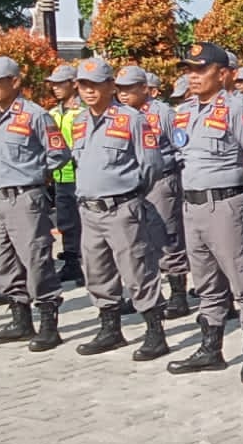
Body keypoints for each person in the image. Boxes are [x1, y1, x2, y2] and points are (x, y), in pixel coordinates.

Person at [166, 42, 243, 383]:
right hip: (192, 206)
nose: (193, 77)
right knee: (206, 283)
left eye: (201, 70)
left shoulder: (240, 108)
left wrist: (228, 181)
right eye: (189, 70)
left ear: (224, 73)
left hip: (227, 205)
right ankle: (210, 349)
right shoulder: (185, 111)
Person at [67, 58, 169, 360]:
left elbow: (151, 165)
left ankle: (155, 332)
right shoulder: (80, 121)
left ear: (110, 86)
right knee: (97, 271)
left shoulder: (132, 119)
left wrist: (131, 195)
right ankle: (110, 329)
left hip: (121, 207)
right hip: (89, 209)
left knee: (137, 269)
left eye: (95, 84)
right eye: (83, 85)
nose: (89, 91)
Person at [0, 56, 70, 350]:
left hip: (24, 197)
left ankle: (48, 323)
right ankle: (20, 319)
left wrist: (35, 173)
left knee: (35, 259)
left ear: (14, 82)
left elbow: (58, 153)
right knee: (2, 262)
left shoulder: (35, 115)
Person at [116, 65, 191, 320]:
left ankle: (178, 294)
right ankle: (146, 295)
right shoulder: (118, 116)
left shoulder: (163, 113)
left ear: (145, 89)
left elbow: (181, 147)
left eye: (129, 89)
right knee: (137, 241)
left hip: (161, 182)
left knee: (167, 238)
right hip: (131, 185)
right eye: (120, 89)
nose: (123, 94)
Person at [46, 63, 85, 286]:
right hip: (62, 177)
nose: (55, 88)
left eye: (60, 83)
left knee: (86, 223)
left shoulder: (84, 112)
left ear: (74, 84)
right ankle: (71, 262)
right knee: (66, 222)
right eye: (53, 84)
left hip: (81, 177)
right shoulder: (52, 113)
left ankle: (88, 264)